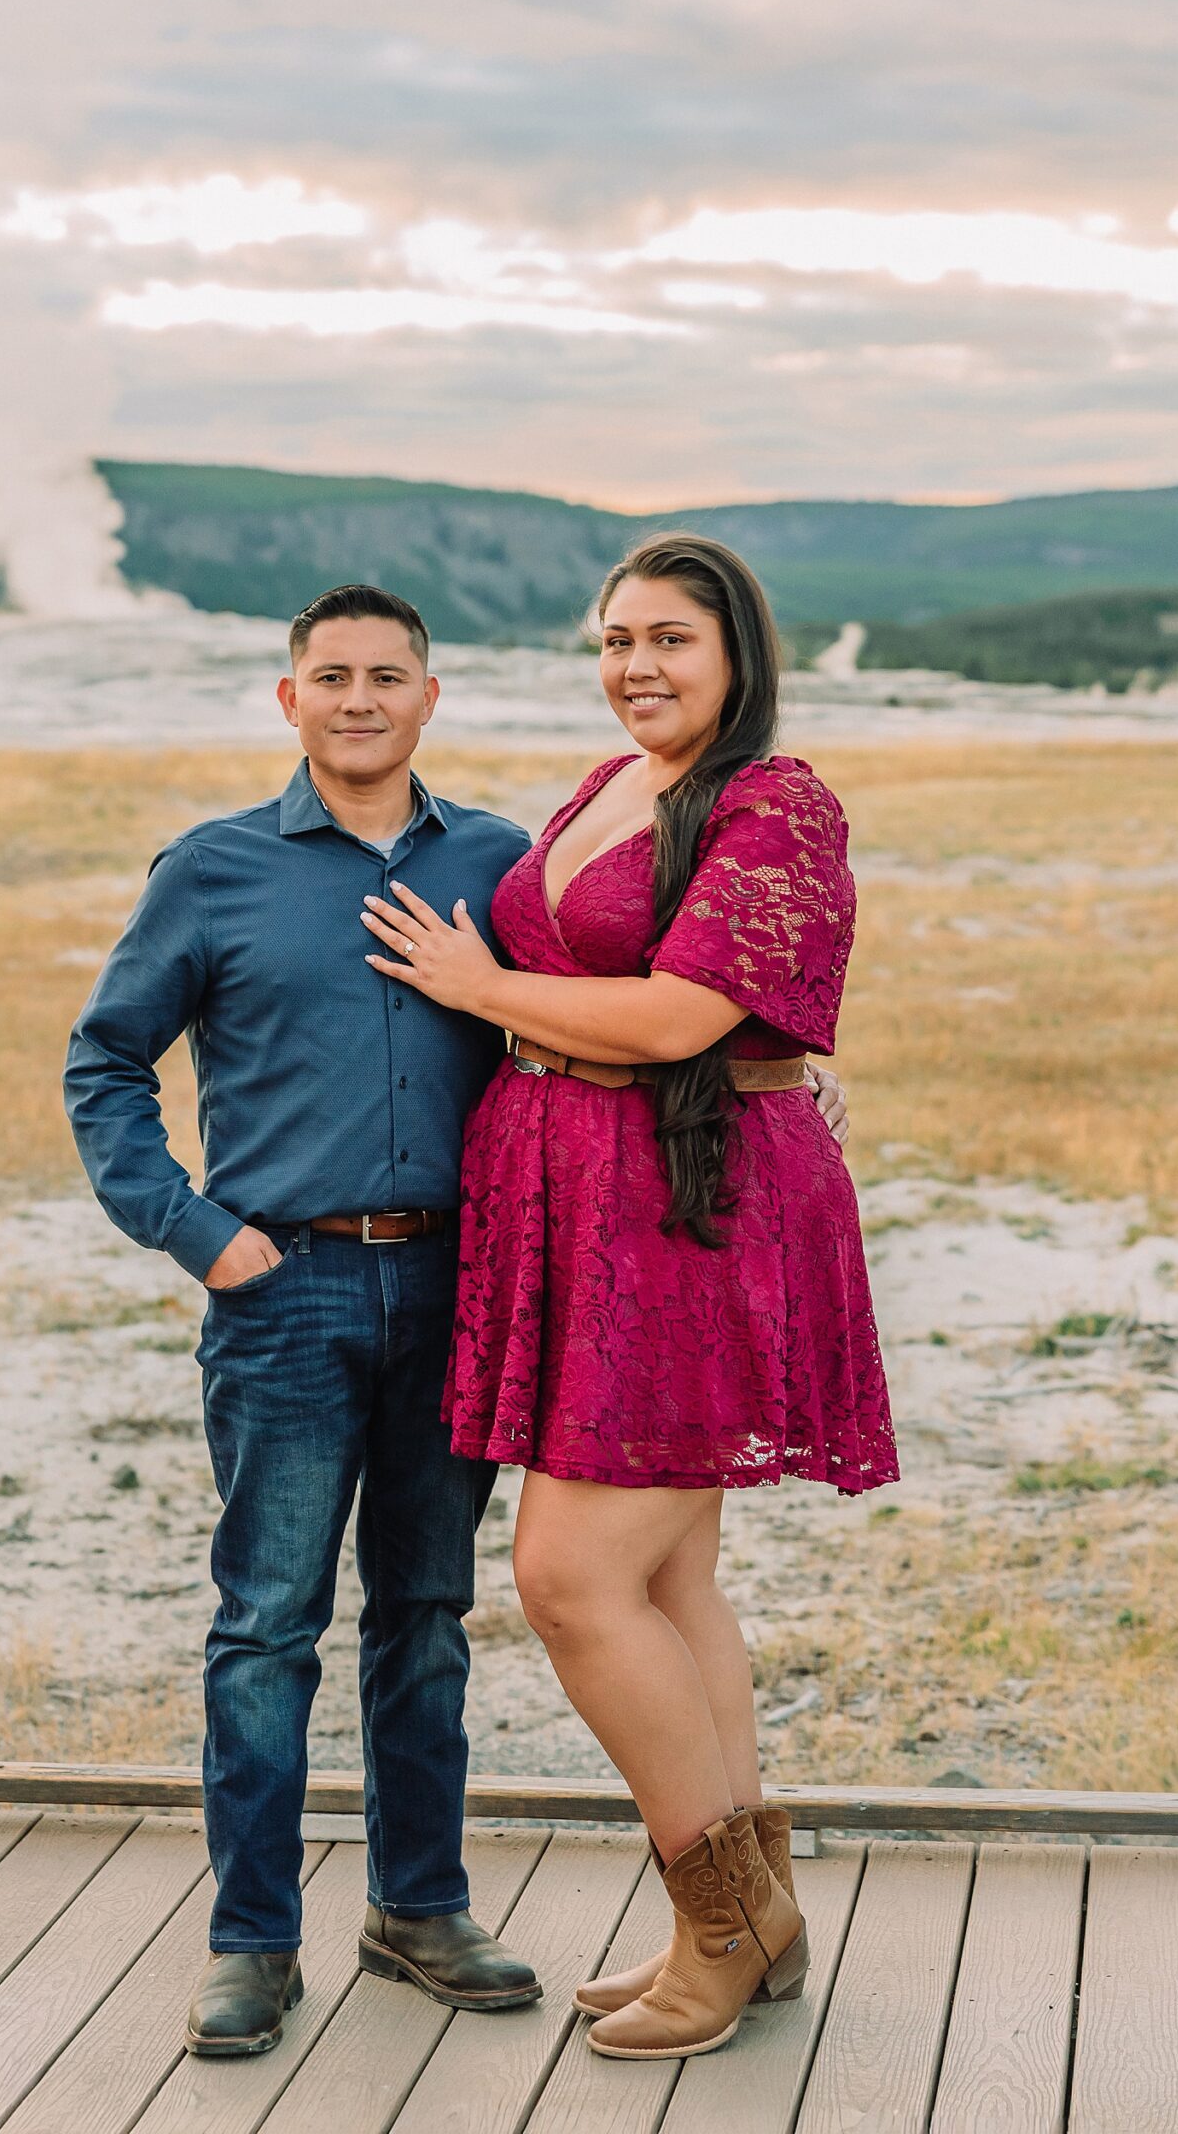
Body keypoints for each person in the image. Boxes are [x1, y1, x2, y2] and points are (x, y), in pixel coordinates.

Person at [63, 575, 851, 2062]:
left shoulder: (502, 857)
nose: (359, 700)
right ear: (286, 699)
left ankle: (422, 1908)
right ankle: (253, 1938)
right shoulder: (215, 869)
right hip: (282, 1288)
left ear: (435, 699)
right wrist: (201, 1236)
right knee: (268, 1624)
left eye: (389, 677)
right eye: (330, 676)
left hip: (468, 1286)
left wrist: (775, 1080)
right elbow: (104, 1064)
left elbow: (642, 991)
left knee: (430, 1618)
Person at [357, 532, 897, 2062]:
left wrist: (476, 992)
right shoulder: (609, 786)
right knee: (666, 1583)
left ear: (739, 655)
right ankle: (762, 1915)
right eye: (616, 640)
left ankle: (713, 1930)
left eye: (671, 639)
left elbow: (681, 1011)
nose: (639, 667)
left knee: (572, 1582)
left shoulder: (773, 802)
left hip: (687, 1213)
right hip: (592, 1201)